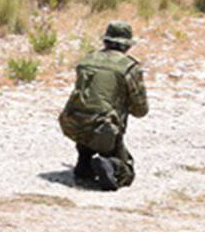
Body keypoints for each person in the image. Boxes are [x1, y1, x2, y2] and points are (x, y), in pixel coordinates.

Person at [58, 21, 149, 190]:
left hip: (71, 124)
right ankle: (109, 164)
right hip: (102, 129)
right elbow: (140, 110)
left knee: (90, 112)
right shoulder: (129, 68)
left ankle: (84, 162)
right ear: (127, 45)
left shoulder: (87, 60)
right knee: (126, 172)